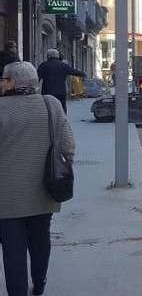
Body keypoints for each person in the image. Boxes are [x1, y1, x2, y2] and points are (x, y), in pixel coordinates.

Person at [0, 61, 75, 296]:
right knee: (40, 241)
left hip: (6, 198)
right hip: (44, 192)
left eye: (4, 78)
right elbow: (68, 147)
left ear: (12, 82)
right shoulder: (51, 104)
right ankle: (39, 284)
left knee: (13, 251)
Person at [37, 49, 86, 113]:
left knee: (47, 108)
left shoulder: (43, 65)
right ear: (57, 56)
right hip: (60, 92)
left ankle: (49, 121)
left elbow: (37, 78)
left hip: (47, 92)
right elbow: (73, 71)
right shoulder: (63, 65)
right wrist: (83, 74)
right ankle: (63, 121)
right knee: (62, 108)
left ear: (48, 56)